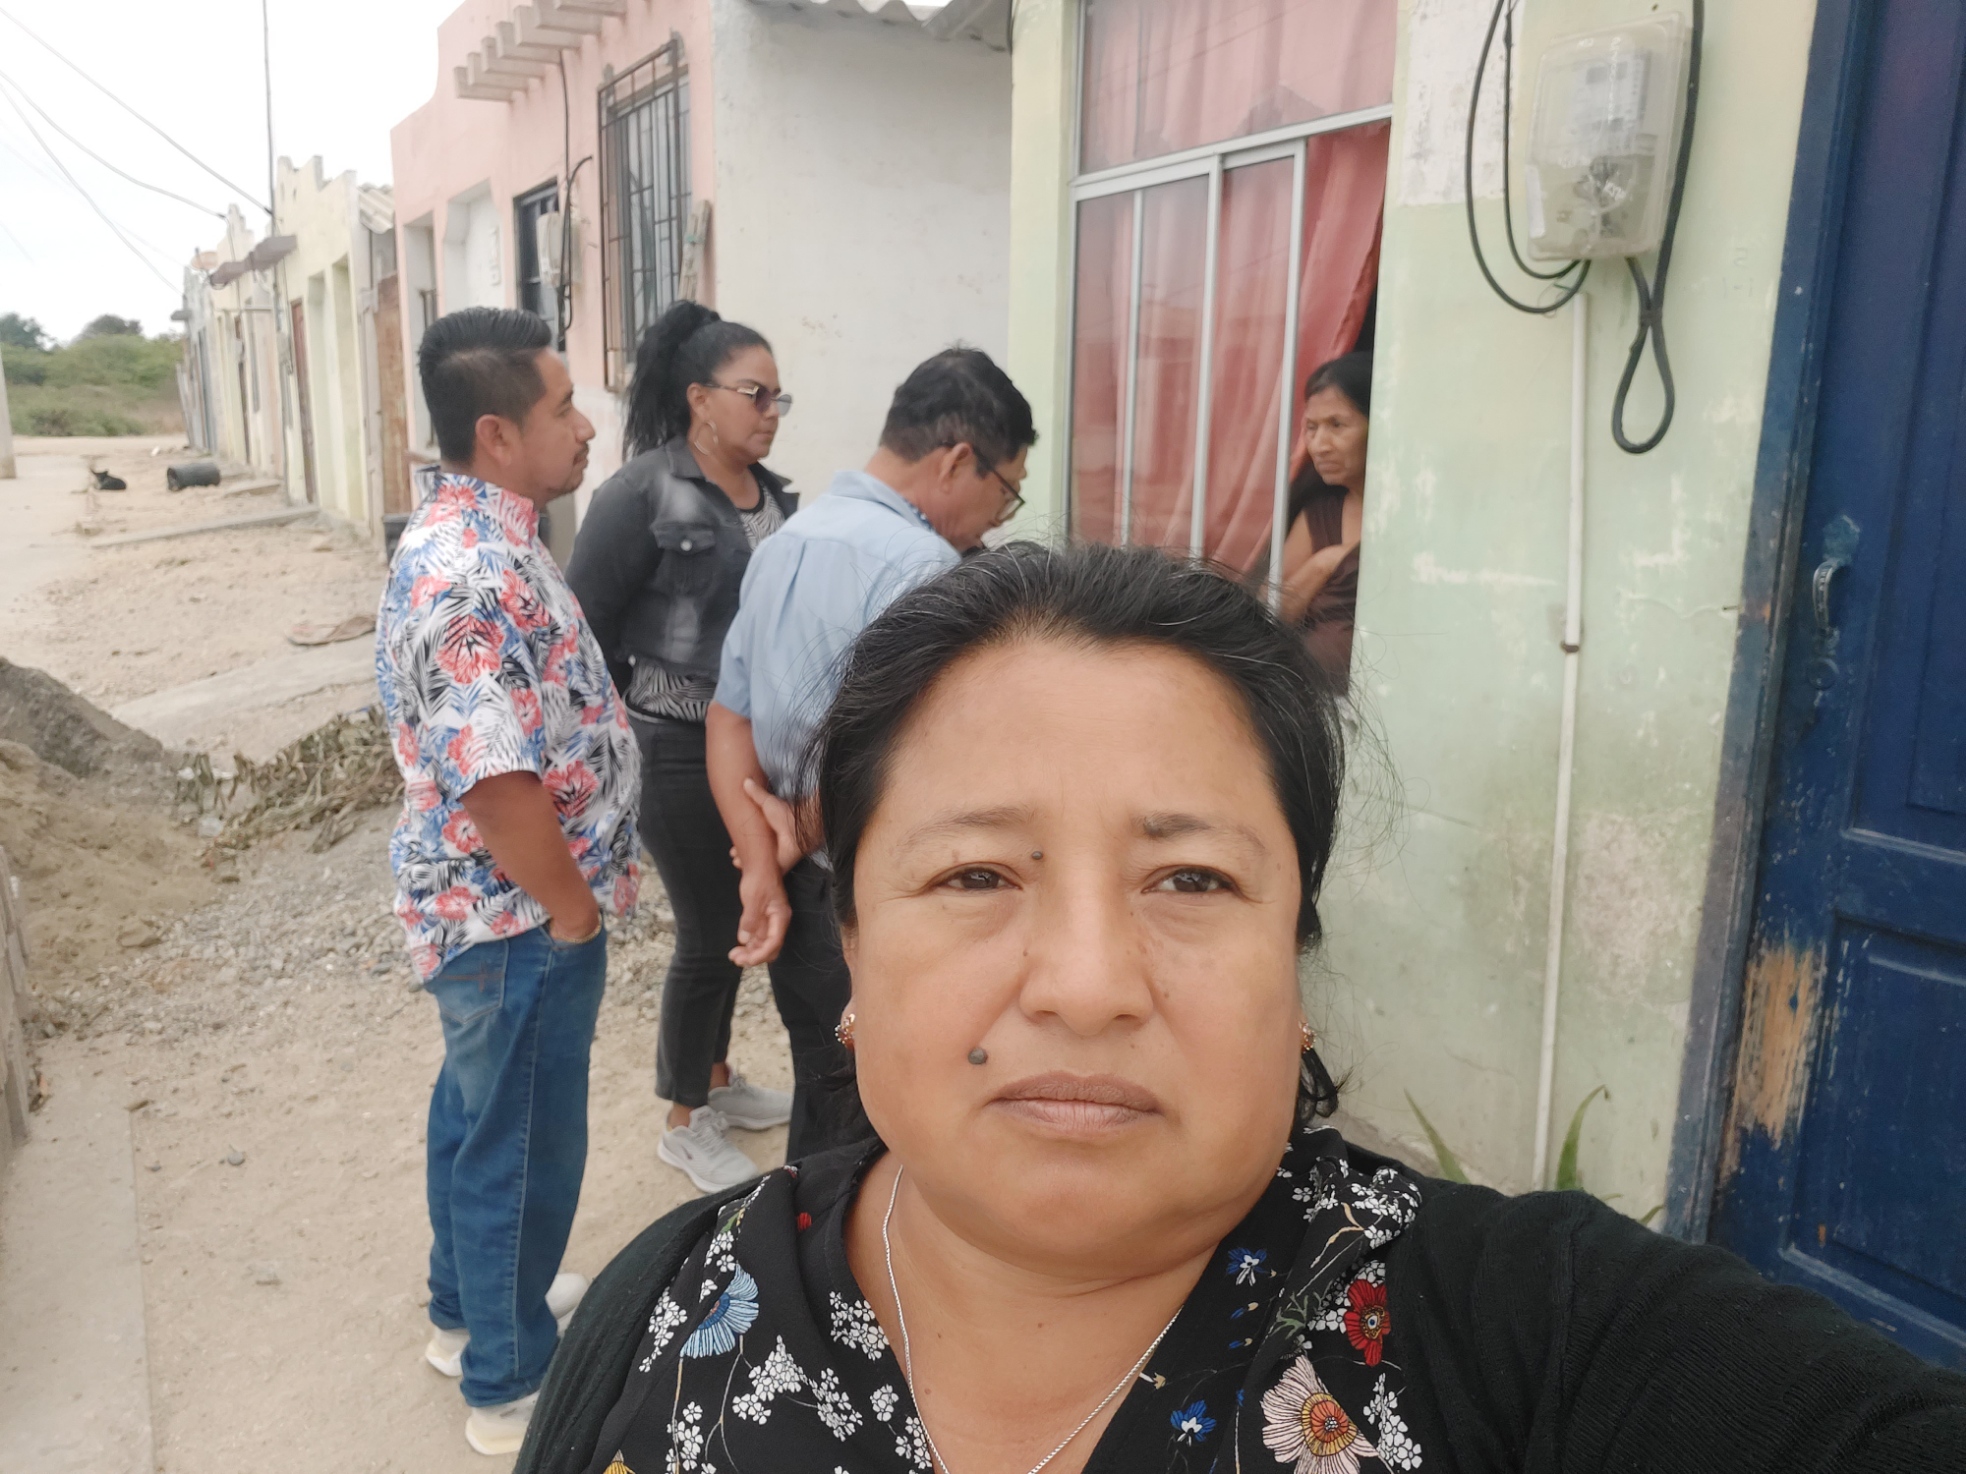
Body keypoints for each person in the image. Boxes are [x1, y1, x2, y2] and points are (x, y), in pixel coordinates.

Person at [516, 542, 1966, 1474]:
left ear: (1296, 968)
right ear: (851, 954)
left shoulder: (1516, 1339)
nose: (1086, 983)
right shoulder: (668, 1313)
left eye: (1192, 879)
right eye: (974, 873)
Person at [375, 306, 640, 1456]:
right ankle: (508, 1379)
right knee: (521, 1143)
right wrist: (572, 910)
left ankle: (469, 1312)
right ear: (496, 432)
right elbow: (495, 782)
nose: (585, 427)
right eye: (563, 408)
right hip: (516, 915)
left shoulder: (482, 534)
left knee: (478, 1116)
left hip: (494, 913)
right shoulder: (470, 574)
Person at [705, 346, 1034, 1160]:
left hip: (799, 888)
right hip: (869, 893)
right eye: (1006, 490)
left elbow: (727, 718)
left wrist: (762, 860)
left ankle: (796, 1234)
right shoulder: (925, 570)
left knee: (821, 1090)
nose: (999, 518)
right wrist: (797, 833)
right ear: (956, 460)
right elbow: (902, 758)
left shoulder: (787, 541)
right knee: (882, 1124)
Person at [567, 302, 799, 1195]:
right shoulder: (640, 495)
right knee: (707, 930)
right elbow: (583, 630)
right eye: (754, 394)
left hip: (756, 748)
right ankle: (683, 1117)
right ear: (701, 399)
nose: (770, 412)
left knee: (745, 916)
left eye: (779, 397)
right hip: (672, 745)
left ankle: (715, 1075)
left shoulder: (773, 497)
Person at [1278, 351, 1370, 682]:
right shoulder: (1319, 515)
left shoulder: (1418, 515)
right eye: (1311, 428)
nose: (1319, 445)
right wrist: (1325, 563)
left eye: (1337, 425)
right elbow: (1273, 612)